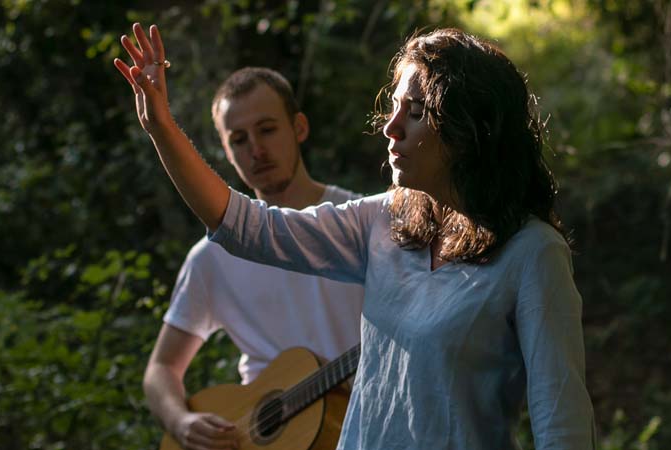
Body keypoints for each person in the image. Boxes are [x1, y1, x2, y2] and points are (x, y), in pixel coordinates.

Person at [116, 22, 596, 450]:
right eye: (393, 108)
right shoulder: (384, 220)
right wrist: (160, 127)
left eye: (415, 112)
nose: (390, 128)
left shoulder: (533, 254)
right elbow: (247, 228)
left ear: (467, 128)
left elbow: (562, 424)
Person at [137, 63, 364, 450]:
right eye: (238, 139)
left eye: (268, 130)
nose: (256, 150)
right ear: (225, 151)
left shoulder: (360, 222)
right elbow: (160, 370)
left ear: (300, 128)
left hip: (360, 429)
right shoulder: (211, 257)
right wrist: (182, 421)